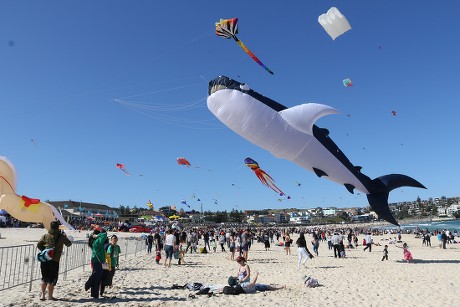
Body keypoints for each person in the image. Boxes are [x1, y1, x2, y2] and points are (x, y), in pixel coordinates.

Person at [36, 221, 72, 301]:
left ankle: (42, 295)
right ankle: (50, 296)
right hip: (54, 260)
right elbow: (69, 244)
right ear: (58, 228)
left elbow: (39, 244)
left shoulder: (46, 235)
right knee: (52, 278)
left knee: (44, 277)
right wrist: (65, 236)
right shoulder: (61, 236)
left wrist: (45, 251)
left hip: (45, 259)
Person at [87, 228, 108, 300]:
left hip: (95, 261)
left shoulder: (93, 242)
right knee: (97, 278)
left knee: (95, 277)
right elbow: (104, 234)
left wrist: (95, 235)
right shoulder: (97, 241)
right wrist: (98, 235)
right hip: (98, 262)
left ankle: (94, 293)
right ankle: (95, 294)